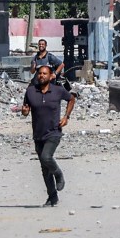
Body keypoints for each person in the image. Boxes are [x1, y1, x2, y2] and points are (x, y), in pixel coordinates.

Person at [21, 64, 76, 206]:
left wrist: (66, 117)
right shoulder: (30, 91)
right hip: (38, 134)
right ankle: (52, 197)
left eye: (44, 73)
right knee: (45, 169)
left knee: (46, 157)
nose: (41, 76)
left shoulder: (58, 90)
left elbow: (71, 99)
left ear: (51, 76)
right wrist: (24, 112)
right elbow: (26, 109)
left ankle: (58, 174)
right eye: (39, 73)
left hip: (54, 132)